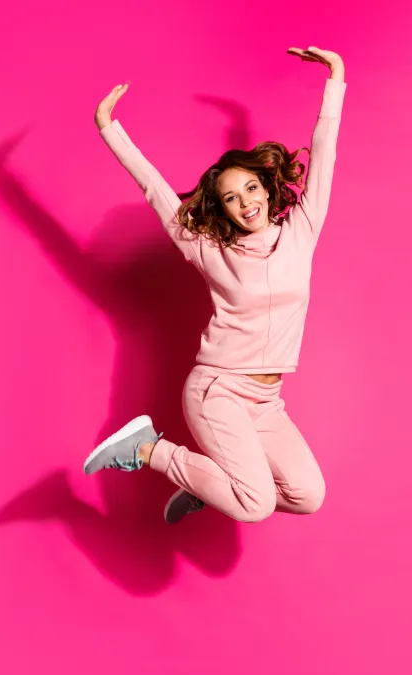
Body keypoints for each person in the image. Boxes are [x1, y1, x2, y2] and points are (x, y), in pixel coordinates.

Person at [82, 46, 346, 525]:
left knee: (308, 495)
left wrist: (335, 78)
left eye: (250, 189)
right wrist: (109, 128)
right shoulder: (210, 251)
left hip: (267, 402)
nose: (245, 203)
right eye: (230, 198)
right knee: (256, 504)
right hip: (218, 390)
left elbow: (324, 153)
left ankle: (209, 483)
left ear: (267, 188)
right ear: (221, 209)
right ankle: (148, 449)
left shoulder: (301, 232)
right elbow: (156, 192)